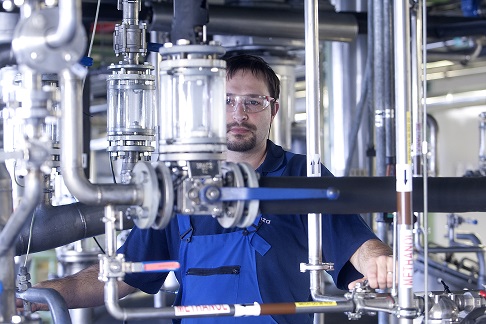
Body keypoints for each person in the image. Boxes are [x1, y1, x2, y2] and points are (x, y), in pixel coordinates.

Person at [18, 54, 393, 323]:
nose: (239, 113)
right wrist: (37, 296)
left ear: (273, 110)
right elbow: (120, 278)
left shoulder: (302, 176)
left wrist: (378, 262)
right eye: (226, 100)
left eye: (253, 102)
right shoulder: (177, 184)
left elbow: (356, 244)